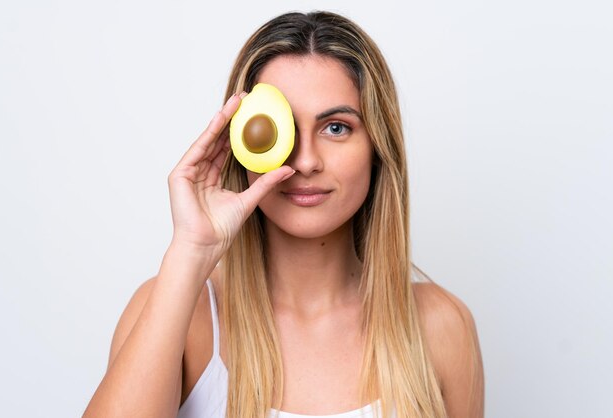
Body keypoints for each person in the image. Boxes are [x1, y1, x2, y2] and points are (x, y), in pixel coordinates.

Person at [83, 11, 484, 418]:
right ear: (239, 145)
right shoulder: (180, 312)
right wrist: (191, 250)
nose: (306, 161)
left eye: (336, 128)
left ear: (377, 149)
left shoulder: (441, 326)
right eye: (279, 130)